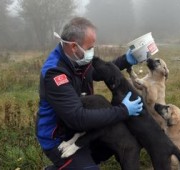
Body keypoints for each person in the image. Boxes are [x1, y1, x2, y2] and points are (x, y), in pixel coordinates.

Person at [36, 17, 143, 170]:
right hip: (58, 137)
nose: (92, 52)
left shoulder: (77, 59)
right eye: (90, 47)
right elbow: (77, 118)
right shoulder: (55, 74)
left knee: (118, 142)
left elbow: (99, 72)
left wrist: (126, 60)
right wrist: (123, 110)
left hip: (81, 129)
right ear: (74, 46)